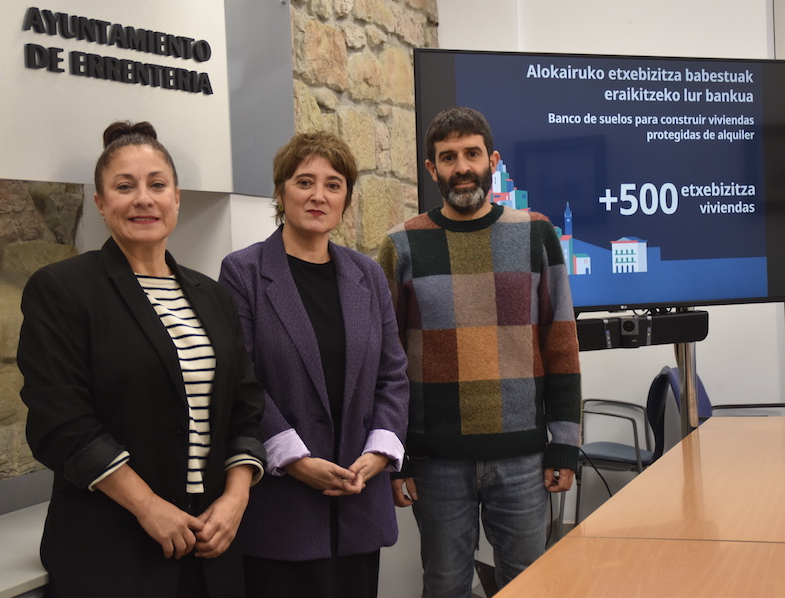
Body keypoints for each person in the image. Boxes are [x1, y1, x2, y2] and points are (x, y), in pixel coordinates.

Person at [18, 121, 266, 598]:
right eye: (124, 187)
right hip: (113, 552)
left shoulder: (213, 296)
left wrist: (235, 499)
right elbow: (61, 422)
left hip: (210, 546)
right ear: (100, 203)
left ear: (177, 198)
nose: (143, 199)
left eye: (157, 185)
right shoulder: (62, 290)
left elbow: (246, 408)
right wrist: (149, 506)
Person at [376, 106, 582, 597]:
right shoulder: (401, 246)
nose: (462, 167)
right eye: (448, 157)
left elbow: (561, 343)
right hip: (435, 461)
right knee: (445, 586)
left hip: (524, 458)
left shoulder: (536, 233)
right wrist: (395, 456)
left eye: (472, 154)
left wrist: (565, 443)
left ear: (492, 161)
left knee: (529, 585)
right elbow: (386, 362)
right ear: (432, 169)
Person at [219, 132, 409, 598]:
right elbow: (241, 380)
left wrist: (378, 453)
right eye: (304, 182)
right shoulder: (243, 273)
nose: (318, 195)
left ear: (346, 198)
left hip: (358, 500)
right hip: (282, 504)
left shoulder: (368, 274)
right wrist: (296, 460)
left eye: (333, 185)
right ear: (280, 192)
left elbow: (393, 376)